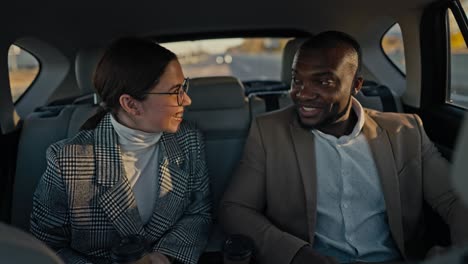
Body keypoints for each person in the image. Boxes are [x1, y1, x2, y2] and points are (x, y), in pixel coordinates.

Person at [219, 31, 468, 264]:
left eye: (323, 82)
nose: (302, 94)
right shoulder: (269, 131)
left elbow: (455, 198)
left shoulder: (406, 131)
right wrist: (297, 254)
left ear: (356, 85)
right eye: (297, 80)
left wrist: (459, 249)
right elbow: (235, 208)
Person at [30, 37, 211, 264]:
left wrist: (165, 255)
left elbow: (198, 213)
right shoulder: (67, 161)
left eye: (184, 87)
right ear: (131, 105)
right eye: (175, 91)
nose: (187, 100)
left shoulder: (189, 140)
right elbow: (46, 247)